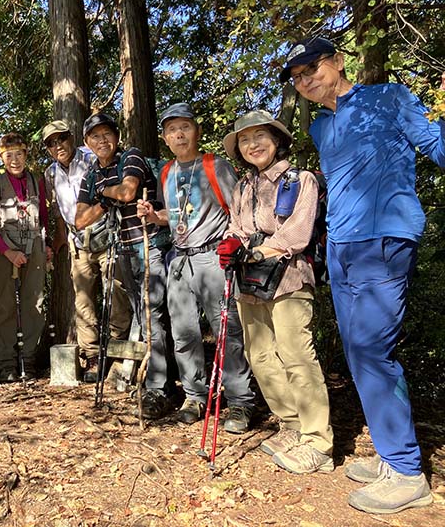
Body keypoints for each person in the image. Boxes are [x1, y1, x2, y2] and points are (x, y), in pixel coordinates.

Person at [280, 36, 441, 513]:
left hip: (386, 239)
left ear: (338, 61)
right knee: (359, 353)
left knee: (373, 350)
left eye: (312, 67)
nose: (306, 79)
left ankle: (408, 472)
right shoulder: (321, 128)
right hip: (343, 248)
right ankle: (394, 458)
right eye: (297, 76)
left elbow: (436, 145)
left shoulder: (388, 97)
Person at [218, 109, 334, 474]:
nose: (253, 145)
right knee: (260, 355)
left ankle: (319, 441)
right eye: (245, 140)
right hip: (249, 284)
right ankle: (291, 424)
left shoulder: (300, 180)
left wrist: (254, 250)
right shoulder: (242, 186)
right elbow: (237, 227)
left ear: (276, 140)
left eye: (260, 137)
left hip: (289, 279)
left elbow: (297, 235)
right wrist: (231, 246)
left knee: (297, 354)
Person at [137, 103, 255, 428]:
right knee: (184, 334)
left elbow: (240, 210)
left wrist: (236, 246)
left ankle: (240, 401)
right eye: (172, 130)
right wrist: (154, 217)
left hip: (213, 257)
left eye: (185, 127)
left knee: (226, 332)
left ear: (196, 131)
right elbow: (176, 218)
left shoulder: (215, 165)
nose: (179, 134)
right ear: (165, 138)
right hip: (180, 259)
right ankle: (195, 396)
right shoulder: (166, 172)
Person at [75, 112, 171, 404]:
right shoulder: (91, 173)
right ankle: (149, 378)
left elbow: (129, 191)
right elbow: (80, 219)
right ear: (87, 142)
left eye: (106, 134)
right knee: (141, 315)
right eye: (94, 136)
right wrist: (106, 199)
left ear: (116, 137)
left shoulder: (131, 157)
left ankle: (159, 387)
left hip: (149, 244)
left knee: (153, 314)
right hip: (124, 249)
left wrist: (104, 193)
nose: (101, 140)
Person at [42, 120, 131, 382]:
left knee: (116, 294)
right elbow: (57, 208)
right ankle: (92, 357)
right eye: (51, 143)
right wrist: (59, 237)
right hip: (77, 242)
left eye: (61, 139)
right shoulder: (50, 174)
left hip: (107, 232)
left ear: (72, 138)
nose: (58, 146)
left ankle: (117, 355)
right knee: (83, 301)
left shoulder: (93, 157)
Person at [0, 133, 52, 381]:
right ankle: (7, 363)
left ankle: (29, 359)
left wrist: (47, 244)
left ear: (26, 155)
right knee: (6, 306)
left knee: (35, 304)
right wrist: (7, 252)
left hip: (34, 246)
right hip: (6, 250)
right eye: (8, 155)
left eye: (19, 154)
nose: (14, 160)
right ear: (2, 158)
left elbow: (42, 215)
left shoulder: (35, 180)